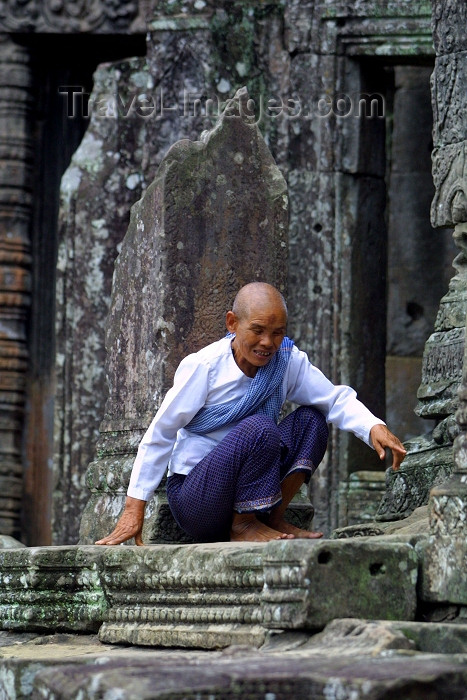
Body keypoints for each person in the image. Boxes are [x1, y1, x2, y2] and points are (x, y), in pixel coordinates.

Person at [96, 282, 406, 546]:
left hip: (253, 493)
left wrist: (373, 427)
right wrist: (134, 509)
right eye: (257, 330)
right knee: (258, 425)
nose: (267, 343)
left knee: (312, 420)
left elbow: (333, 398)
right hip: (198, 500)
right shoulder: (204, 367)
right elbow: (161, 432)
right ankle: (242, 526)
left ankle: (273, 518)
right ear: (232, 323)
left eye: (277, 333)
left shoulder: (287, 361)